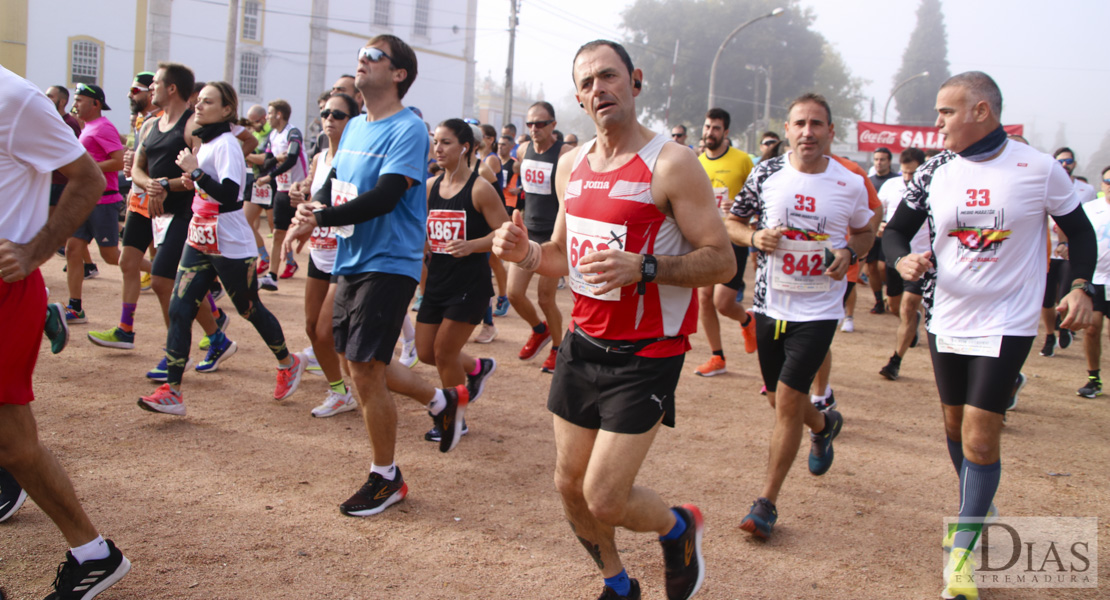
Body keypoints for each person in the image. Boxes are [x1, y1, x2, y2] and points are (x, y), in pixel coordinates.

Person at [495, 40, 733, 600]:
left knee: (605, 497)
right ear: (578, 96)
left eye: (608, 76)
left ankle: (679, 529)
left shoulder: (671, 162)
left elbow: (721, 260)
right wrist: (524, 252)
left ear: (635, 81)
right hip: (583, 343)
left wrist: (644, 267)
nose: (598, 89)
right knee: (568, 486)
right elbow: (560, 255)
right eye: (586, 83)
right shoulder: (571, 166)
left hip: (647, 353)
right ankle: (619, 585)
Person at [882, 71, 1096, 600]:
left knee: (980, 434)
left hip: (1008, 320)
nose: (937, 124)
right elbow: (893, 232)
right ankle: (978, 508)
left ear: (981, 111)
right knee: (953, 425)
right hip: (946, 316)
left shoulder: (1038, 167)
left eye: (946, 112)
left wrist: (1081, 287)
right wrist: (901, 259)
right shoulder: (935, 170)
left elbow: (1082, 233)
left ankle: (963, 551)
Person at [285, 35, 468, 517]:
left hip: (390, 261)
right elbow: (333, 185)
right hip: (352, 258)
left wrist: (321, 219)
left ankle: (386, 477)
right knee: (356, 362)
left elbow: (387, 195)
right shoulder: (358, 128)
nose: (361, 62)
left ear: (399, 74)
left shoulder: (408, 129)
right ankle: (441, 401)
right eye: (361, 56)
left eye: (373, 57)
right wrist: (308, 212)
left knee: (365, 368)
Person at [0, 64, 131, 599]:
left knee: (13, 443)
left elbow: (92, 177)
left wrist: (34, 252)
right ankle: (93, 554)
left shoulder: (16, 99)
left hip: (5, 289)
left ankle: (93, 553)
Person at [726, 93, 874, 540]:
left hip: (819, 309)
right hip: (770, 306)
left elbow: (868, 232)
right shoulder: (766, 172)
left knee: (787, 402)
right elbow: (731, 222)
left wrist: (849, 250)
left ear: (830, 131)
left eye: (816, 124)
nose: (807, 131)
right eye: (799, 124)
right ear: (787, 130)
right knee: (779, 400)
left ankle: (765, 503)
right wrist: (754, 237)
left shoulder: (849, 181)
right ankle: (825, 424)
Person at [138, 81, 305, 415]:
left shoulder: (227, 143)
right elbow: (208, 187)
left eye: (207, 102)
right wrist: (194, 181)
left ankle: (288, 362)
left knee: (248, 308)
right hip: (198, 237)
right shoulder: (207, 141)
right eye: (198, 101)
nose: (198, 106)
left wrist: (195, 172)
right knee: (178, 308)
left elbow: (230, 195)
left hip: (228, 241)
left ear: (227, 110)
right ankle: (173, 391)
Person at [417, 119, 507, 438]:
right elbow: (425, 230)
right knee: (426, 352)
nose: (437, 148)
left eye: (446, 142)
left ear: (464, 148)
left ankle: (455, 419)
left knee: (443, 352)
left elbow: (506, 231)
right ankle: (477, 368)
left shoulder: (480, 188)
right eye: (436, 141)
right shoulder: (429, 187)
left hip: (470, 285)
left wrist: (472, 245)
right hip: (438, 283)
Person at [285, 92, 360, 417]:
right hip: (319, 249)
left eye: (338, 115)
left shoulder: (357, 158)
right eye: (326, 113)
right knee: (311, 326)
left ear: (353, 121)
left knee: (325, 331)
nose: (329, 118)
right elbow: (319, 194)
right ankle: (341, 392)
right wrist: (301, 201)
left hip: (345, 252)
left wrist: (317, 211)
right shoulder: (318, 159)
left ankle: (362, 383)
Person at [693, 107, 757, 377]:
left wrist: (741, 210)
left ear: (726, 132)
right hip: (705, 238)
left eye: (716, 128)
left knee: (723, 302)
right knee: (704, 299)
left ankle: (747, 320)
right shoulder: (696, 162)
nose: (710, 132)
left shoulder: (743, 161)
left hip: (734, 238)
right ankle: (717, 357)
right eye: (707, 127)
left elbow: (760, 197)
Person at [511, 101, 572, 373]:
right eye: (530, 124)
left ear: (553, 125)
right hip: (529, 230)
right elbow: (517, 172)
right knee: (513, 293)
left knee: (546, 298)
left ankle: (559, 348)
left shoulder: (565, 153)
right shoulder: (523, 150)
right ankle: (539, 329)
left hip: (554, 235)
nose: (534, 129)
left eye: (541, 124)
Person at [63, 83, 125, 324]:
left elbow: (119, 162)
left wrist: (87, 170)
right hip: (84, 200)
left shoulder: (103, 127)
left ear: (96, 104)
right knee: (72, 249)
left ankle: (164, 273)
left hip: (104, 200)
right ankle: (75, 307)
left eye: (79, 100)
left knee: (110, 256)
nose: (74, 105)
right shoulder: (88, 127)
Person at [877, 147, 927, 380]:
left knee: (908, 306)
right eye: (905, 173)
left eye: (913, 174)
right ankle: (912, 324)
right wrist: (878, 227)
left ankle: (895, 361)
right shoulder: (891, 186)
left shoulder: (932, 188)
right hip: (896, 257)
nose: (908, 179)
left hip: (922, 260)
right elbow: (878, 212)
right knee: (894, 306)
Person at [255, 99, 307, 289]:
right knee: (278, 233)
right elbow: (267, 160)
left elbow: (292, 159)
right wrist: (275, 160)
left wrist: (270, 176)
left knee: (311, 233)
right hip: (282, 192)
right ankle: (272, 276)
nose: (267, 117)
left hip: (299, 192)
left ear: (279, 114)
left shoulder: (293, 133)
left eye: (270, 113)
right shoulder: (272, 136)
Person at [1075, 165, 1110, 398]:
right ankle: (1093, 378)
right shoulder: (1091, 209)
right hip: (1096, 277)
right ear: (1102, 184)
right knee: (1091, 328)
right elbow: (1079, 238)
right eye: (1108, 181)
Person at [864, 147, 899, 314]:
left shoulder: (896, 181)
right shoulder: (868, 180)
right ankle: (878, 300)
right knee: (871, 268)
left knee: (883, 267)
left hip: (887, 231)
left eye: (882, 159)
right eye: (876, 159)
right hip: (871, 229)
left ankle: (890, 295)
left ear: (889, 161)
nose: (879, 163)